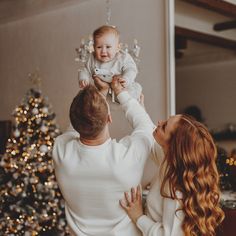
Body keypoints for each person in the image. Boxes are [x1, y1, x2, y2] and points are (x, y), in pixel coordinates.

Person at [52, 77, 155, 236]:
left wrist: (100, 93)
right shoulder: (128, 157)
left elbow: (79, 122)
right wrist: (121, 93)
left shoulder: (61, 149)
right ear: (109, 118)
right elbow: (146, 127)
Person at [120, 114, 225, 236]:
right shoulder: (170, 164)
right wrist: (131, 101)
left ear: (172, 146)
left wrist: (138, 217)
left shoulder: (176, 190)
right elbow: (147, 130)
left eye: (164, 126)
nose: (159, 122)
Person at [78, 25, 142, 101]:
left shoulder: (122, 57)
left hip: (126, 89)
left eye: (108, 47)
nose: (103, 51)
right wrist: (83, 79)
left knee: (131, 101)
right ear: (94, 48)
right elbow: (85, 70)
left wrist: (126, 78)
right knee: (95, 102)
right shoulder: (92, 59)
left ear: (118, 47)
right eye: (99, 47)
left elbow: (131, 69)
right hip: (106, 95)